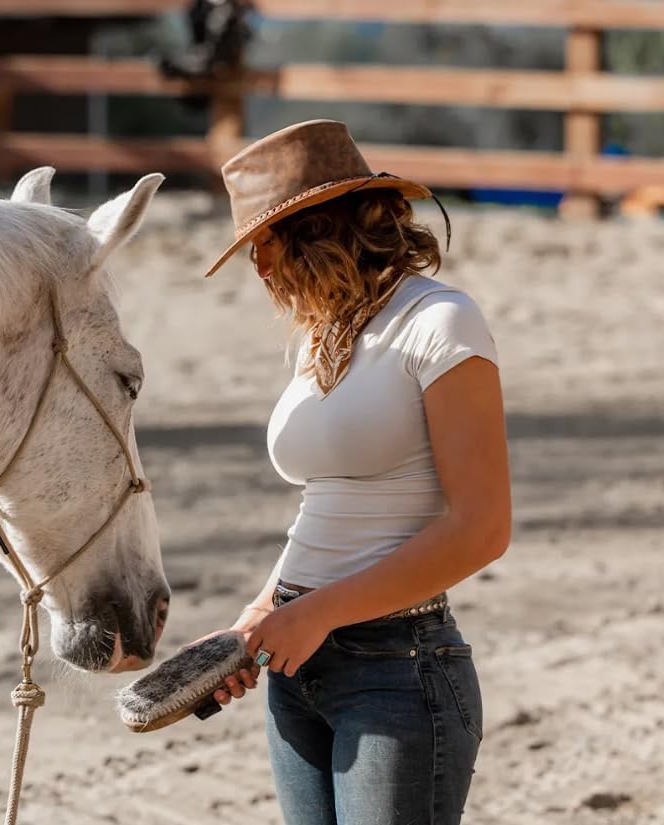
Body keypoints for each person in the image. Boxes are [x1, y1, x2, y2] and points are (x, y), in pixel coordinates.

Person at [204, 119, 511, 825]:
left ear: (319, 228)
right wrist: (256, 619)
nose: (259, 268)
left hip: (399, 671)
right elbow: (328, 504)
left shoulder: (442, 323)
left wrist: (316, 612)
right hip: (297, 670)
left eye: (265, 243)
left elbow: (483, 529)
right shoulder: (322, 337)